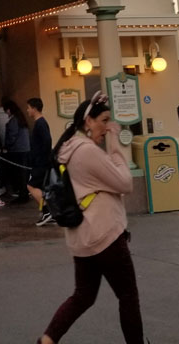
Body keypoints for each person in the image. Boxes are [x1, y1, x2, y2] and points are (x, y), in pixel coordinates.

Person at [37, 91, 143, 344]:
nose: (107, 127)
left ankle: (48, 340)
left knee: (83, 295)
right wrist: (116, 144)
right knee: (128, 295)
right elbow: (125, 183)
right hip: (105, 235)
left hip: (81, 237)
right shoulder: (87, 151)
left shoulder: (67, 147)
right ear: (88, 122)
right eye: (103, 121)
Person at [27, 97, 55, 225]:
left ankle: (46, 210)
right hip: (40, 161)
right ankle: (49, 213)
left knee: (31, 186)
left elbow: (47, 141)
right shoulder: (40, 123)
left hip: (41, 162)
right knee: (40, 187)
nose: (27, 111)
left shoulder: (40, 123)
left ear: (34, 108)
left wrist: (42, 157)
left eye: (28, 108)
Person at [2, 99, 31, 203]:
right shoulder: (21, 118)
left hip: (17, 150)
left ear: (9, 110)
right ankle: (24, 194)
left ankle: (22, 195)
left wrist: (6, 146)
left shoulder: (13, 120)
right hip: (25, 149)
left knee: (19, 174)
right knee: (23, 173)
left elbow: (12, 136)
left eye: (6, 111)